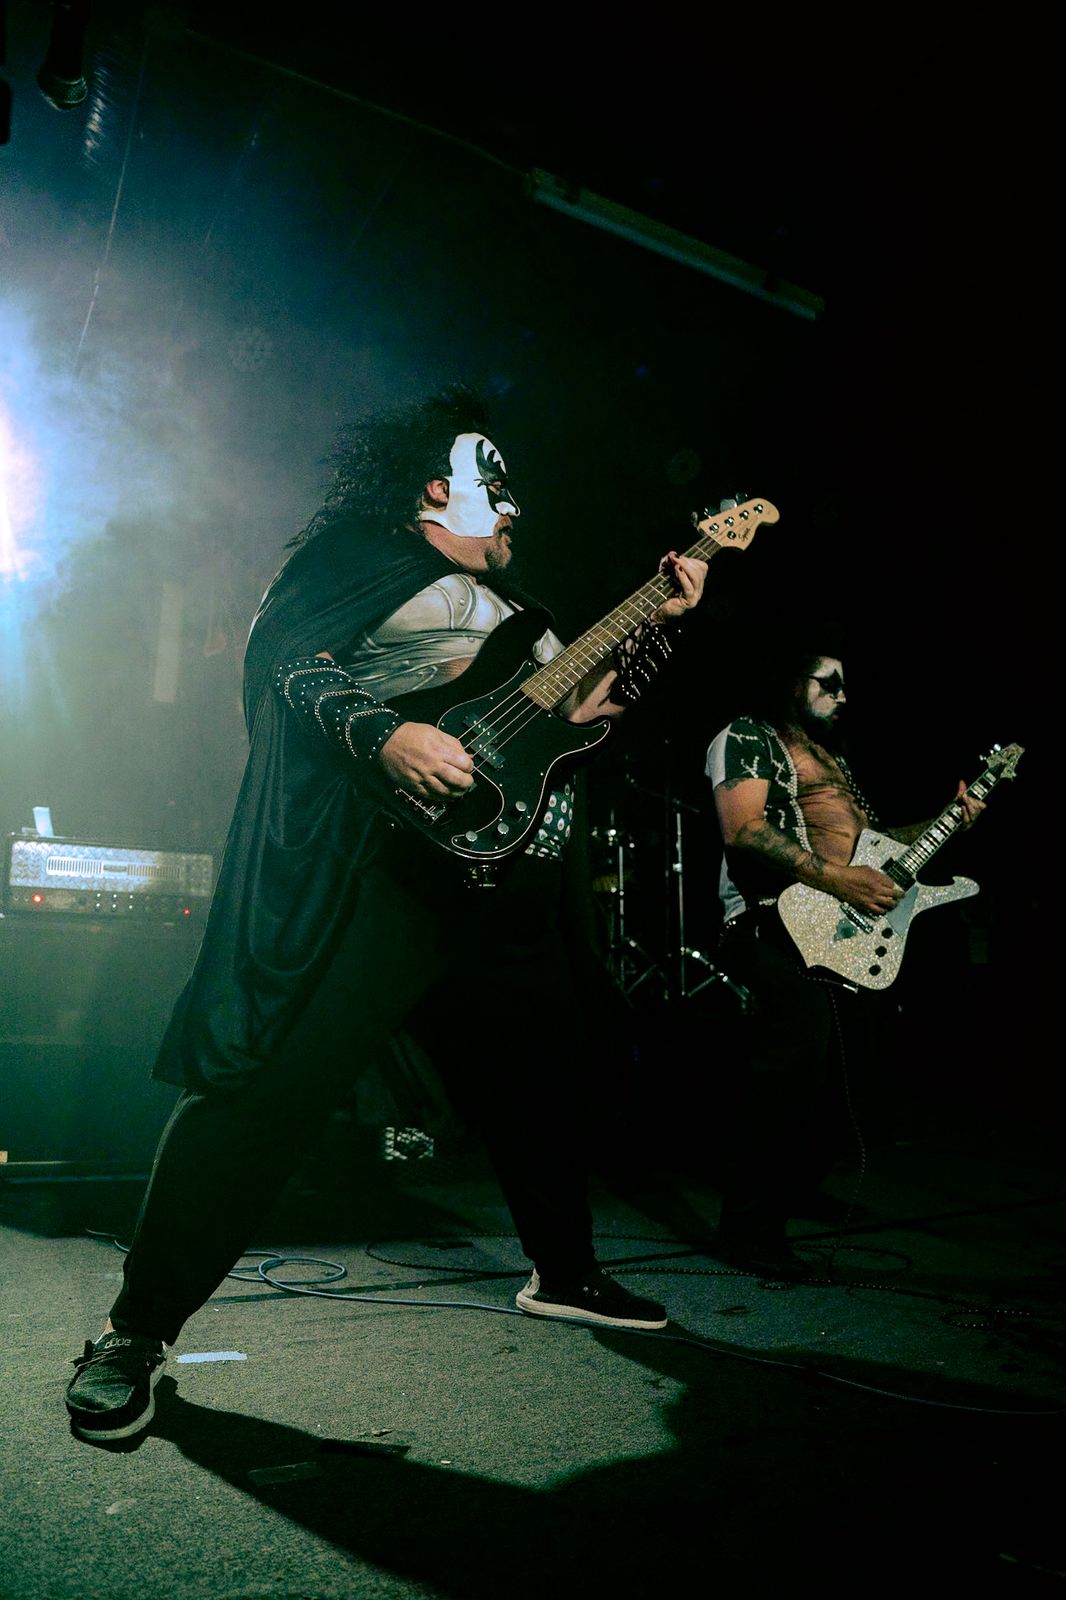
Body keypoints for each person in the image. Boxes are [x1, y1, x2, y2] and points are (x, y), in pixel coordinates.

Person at [65, 385, 707, 1442]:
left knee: (541, 1086)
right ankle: (134, 1330)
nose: (515, 507)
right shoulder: (355, 561)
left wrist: (661, 628)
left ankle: (564, 1272)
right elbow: (284, 662)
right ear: (432, 489)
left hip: (506, 891)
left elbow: (588, 716)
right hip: (384, 873)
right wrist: (385, 735)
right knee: (266, 1089)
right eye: (494, 486)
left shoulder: (526, 612)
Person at [703, 636, 984, 1273]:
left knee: (850, 1068)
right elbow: (743, 827)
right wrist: (840, 880)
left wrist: (951, 819)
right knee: (795, 1060)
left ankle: (798, 1188)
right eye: (826, 681)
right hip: (769, 918)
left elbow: (876, 849)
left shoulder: (832, 759)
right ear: (787, 678)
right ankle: (747, 1228)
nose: (842, 695)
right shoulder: (748, 735)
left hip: (833, 927)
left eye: (844, 683)